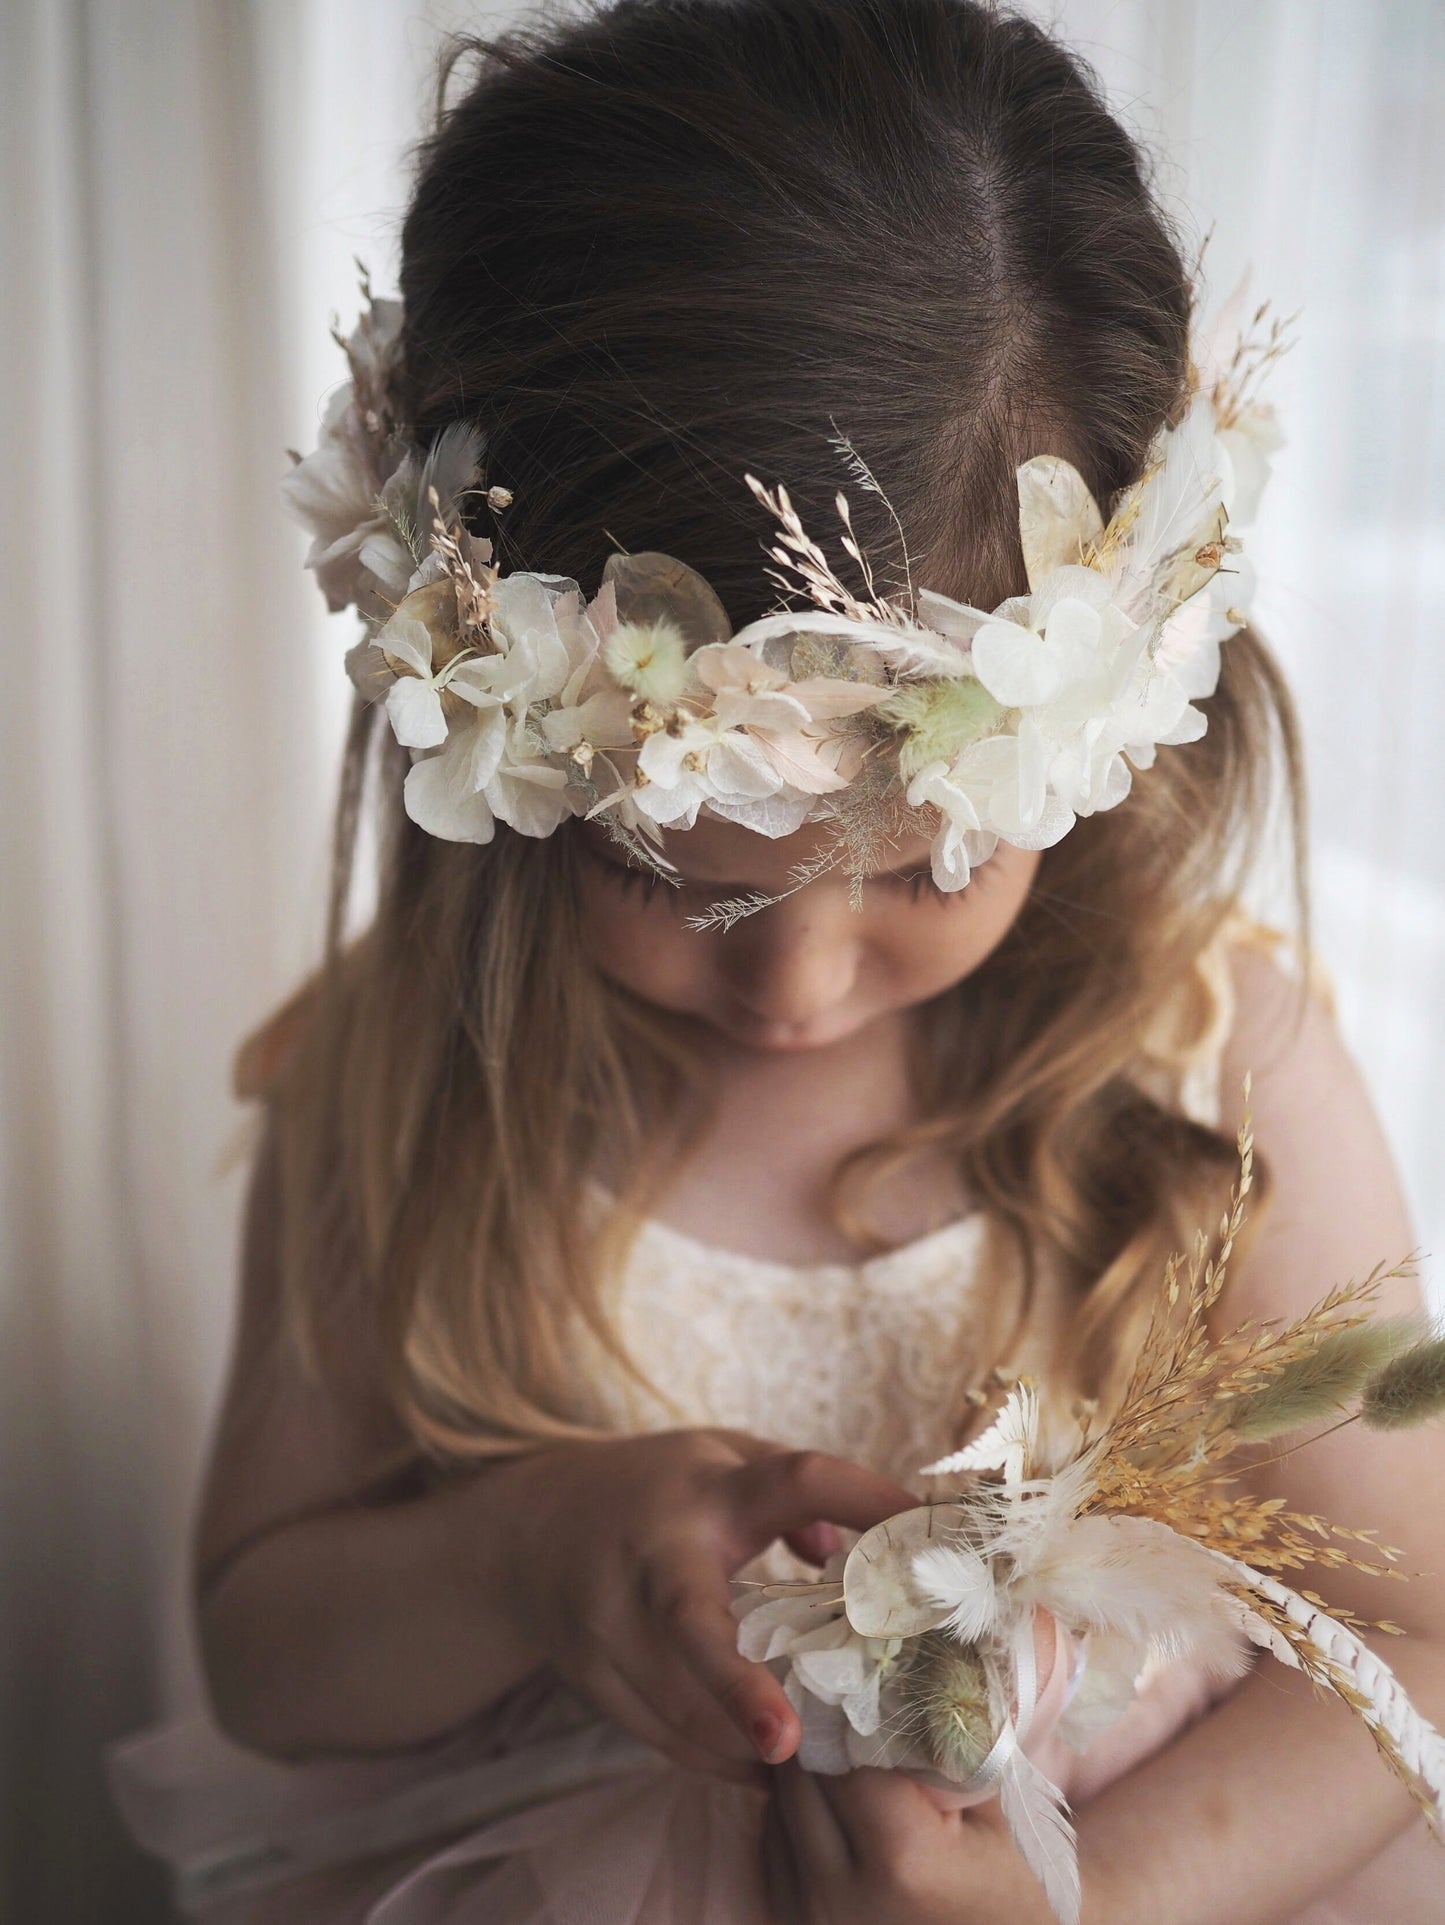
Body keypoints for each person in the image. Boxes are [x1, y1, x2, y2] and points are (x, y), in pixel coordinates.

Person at [110, 2, 1445, 1920]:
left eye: (925, 865)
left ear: (1106, 715)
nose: (799, 991)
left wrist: (1078, 1902)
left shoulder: (1212, 1069)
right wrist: (522, 1555)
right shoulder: (402, 1079)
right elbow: (266, 1648)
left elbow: (1410, 1636)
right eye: (668, 872)